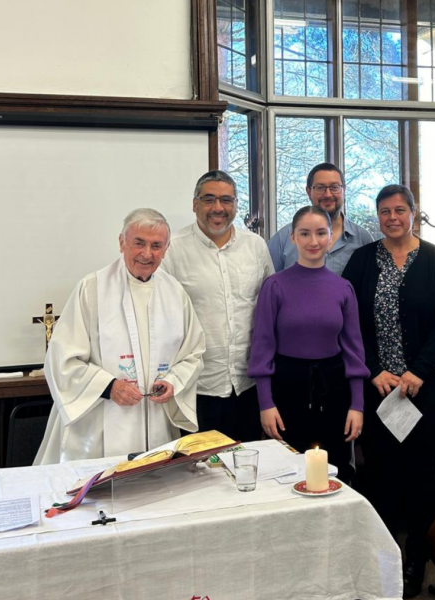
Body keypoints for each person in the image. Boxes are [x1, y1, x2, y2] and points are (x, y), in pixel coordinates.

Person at [342, 184, 435, 598]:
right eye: (384, 212)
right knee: (380, 470)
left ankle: (416, 560)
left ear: (413, 213)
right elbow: (349, 321)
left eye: (399, 210)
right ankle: (382, 555)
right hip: (379, 386)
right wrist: (374, 369)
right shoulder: (361, 260)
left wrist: (419, 370)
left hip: (427, 385)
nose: (392, 218)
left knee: (421, 470)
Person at [34, 208, 205, 465]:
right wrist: (109, 387)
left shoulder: (175, 293)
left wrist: (173, 381)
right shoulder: (91, 289)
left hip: (156, 423)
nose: (147, 254)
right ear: (121, 242)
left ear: (166, 249)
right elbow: (62, 361)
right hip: (98, 425)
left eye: (156, 245)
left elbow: (193, 353)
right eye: (139, 243)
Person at [249, 205, 367, 482]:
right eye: (305, 233)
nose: (313, 241)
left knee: (335, 469)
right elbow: (262, 346)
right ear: (293, 238)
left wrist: (357, 405)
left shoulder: (343, 288)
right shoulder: (275, 286)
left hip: (334, 391)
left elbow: (354, 351)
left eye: (320, 233)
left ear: (330, 238)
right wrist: (266, 403)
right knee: (288, 472)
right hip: (287, 389)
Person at [160, 170, 273, 442]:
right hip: (196, 388)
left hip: (247, 387)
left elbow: (270, 312)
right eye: (209, 199)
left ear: (235, 204)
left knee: (247, 469)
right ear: (194, 204)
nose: (218, 208)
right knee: (198, 473)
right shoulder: (172, 249)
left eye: (226, 200)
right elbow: (160, 317)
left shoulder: (256, 247)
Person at [267, 163, 375, 275]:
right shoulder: (282, 238)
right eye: (320, 188)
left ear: (344, 190)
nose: (328, 194)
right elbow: (270, 284)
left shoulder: (363, 240)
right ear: (309, 192)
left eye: (334, 187)